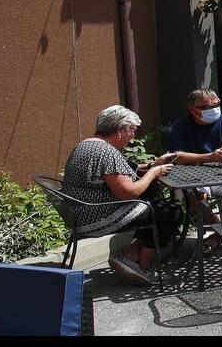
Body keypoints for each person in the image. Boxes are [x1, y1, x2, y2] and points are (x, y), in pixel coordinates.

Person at [62, 106, 179, 285]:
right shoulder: (107, 153)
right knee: (169, 211)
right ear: (120, 130)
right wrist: (154, 172)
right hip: (97, 216)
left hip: (79, 212)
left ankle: (130, 255)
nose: (133, 136)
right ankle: (139, 265)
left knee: (153, 202)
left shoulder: (87, 145)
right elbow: (128, 193)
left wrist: (152, 165)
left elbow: (119, 173)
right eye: (132, 130)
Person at [164, 89, 222, 254]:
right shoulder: (180, 128)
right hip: (194, 179)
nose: (214, 109)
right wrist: (209, 157)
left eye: (217, 105)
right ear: (193, 109)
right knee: (195, 196)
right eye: (207, 107)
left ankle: (218, 235)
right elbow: (176, 156)